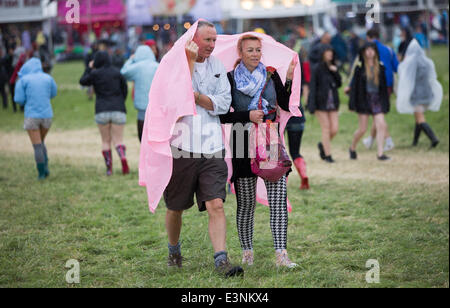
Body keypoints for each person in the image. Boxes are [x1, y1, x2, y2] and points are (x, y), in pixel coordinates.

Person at [163, 21, 243, 277]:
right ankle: (173, 250)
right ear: (192, 40)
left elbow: (223, 104)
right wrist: (189, 64)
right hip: (182, 147)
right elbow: (178, 102)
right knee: (175, 206)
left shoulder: (217, 66)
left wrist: (199, 97)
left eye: (214, 40)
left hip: (212, 148)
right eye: (207, 40)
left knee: (216, 205)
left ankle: (221, 259)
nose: (211, 45)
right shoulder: (173, 65)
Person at [219, 34, 298, 268]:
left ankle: (281, 255)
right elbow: (223, 115)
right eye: (250, 50)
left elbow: (284, 105)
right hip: (242, 140)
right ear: (240, 53)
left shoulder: (271, 75)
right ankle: (247, 253)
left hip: (269, 139)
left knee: (278, 199)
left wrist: (290, 78)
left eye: (257, 50)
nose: (255, 54)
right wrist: (247, 115)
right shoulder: (230, 78)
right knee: (246, 202)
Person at [79, 51, 130, 176]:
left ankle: (109, 168)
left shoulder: (95, 74)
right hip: (118, 109)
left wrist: (89, 68)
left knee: (105, 141)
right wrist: (120, 102)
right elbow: (125, 89)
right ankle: (122, 157)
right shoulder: (117, 72)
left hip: (101, 110)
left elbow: (83, 81)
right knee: (118, 140)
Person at [13, 58, 57, 179]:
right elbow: (53, 93)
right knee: (42, 142)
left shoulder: (23, 80)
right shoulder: (48, 78)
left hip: (32, 116)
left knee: (37, 145)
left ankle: (41, 173)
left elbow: (18, 99)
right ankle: (46, 167)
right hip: (47, 116)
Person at [396, 38, 442, 148]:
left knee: (420, 118)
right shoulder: (426, 62)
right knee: (418, 118)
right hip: (427, 94)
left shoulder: (410, 63)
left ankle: (433, 138)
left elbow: (405, 76)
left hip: (417, 95)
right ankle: (415, 142)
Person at [349, 43, 391, 161]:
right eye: (367, 50)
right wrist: (353, 103)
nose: (370, 52)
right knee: (362, 129)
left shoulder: (380, 67)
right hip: (364, 100)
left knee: (381, 124)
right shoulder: (359, 68)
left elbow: (383, 88)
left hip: (377, 100)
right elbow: (355, 87)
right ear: (363, 52)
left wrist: (386, 102)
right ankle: (352, 147)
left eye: (372, 49)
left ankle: (380, 153)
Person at [361, 28, 398, 152]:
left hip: (375, 86)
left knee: (378, 114)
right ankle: (371, 140)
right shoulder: (389, 49)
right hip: (388, 85)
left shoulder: (367, 49)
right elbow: (396, 67)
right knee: (377, 114)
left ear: (368, 37)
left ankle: (388, 141)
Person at [307, 45, 341, 163]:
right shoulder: (317, 68)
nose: (330, 54)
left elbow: (339, 83)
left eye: (331, 52)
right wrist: (311, 105)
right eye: (327, 52)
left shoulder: (333, 67)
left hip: (333, 103)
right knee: (326, 128)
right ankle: (328, 155)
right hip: (320, 103)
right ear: (323, 53)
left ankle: (322, 145)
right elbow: (313, 87)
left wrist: (335, 72)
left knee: (334, 129)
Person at [120, 45, 159, 142]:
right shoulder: (157, 65)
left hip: (141, 106)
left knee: (142, 137)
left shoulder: (137, 67)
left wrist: (131, 59)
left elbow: (123, 72)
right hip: (156, 106)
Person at [286, 48, 309, 190]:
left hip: (281, 118)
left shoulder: (279, 74)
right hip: (298, 117)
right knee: (295, 152)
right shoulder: (299, 74)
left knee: (277, 153)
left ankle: (282, 182)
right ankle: (304, 175)